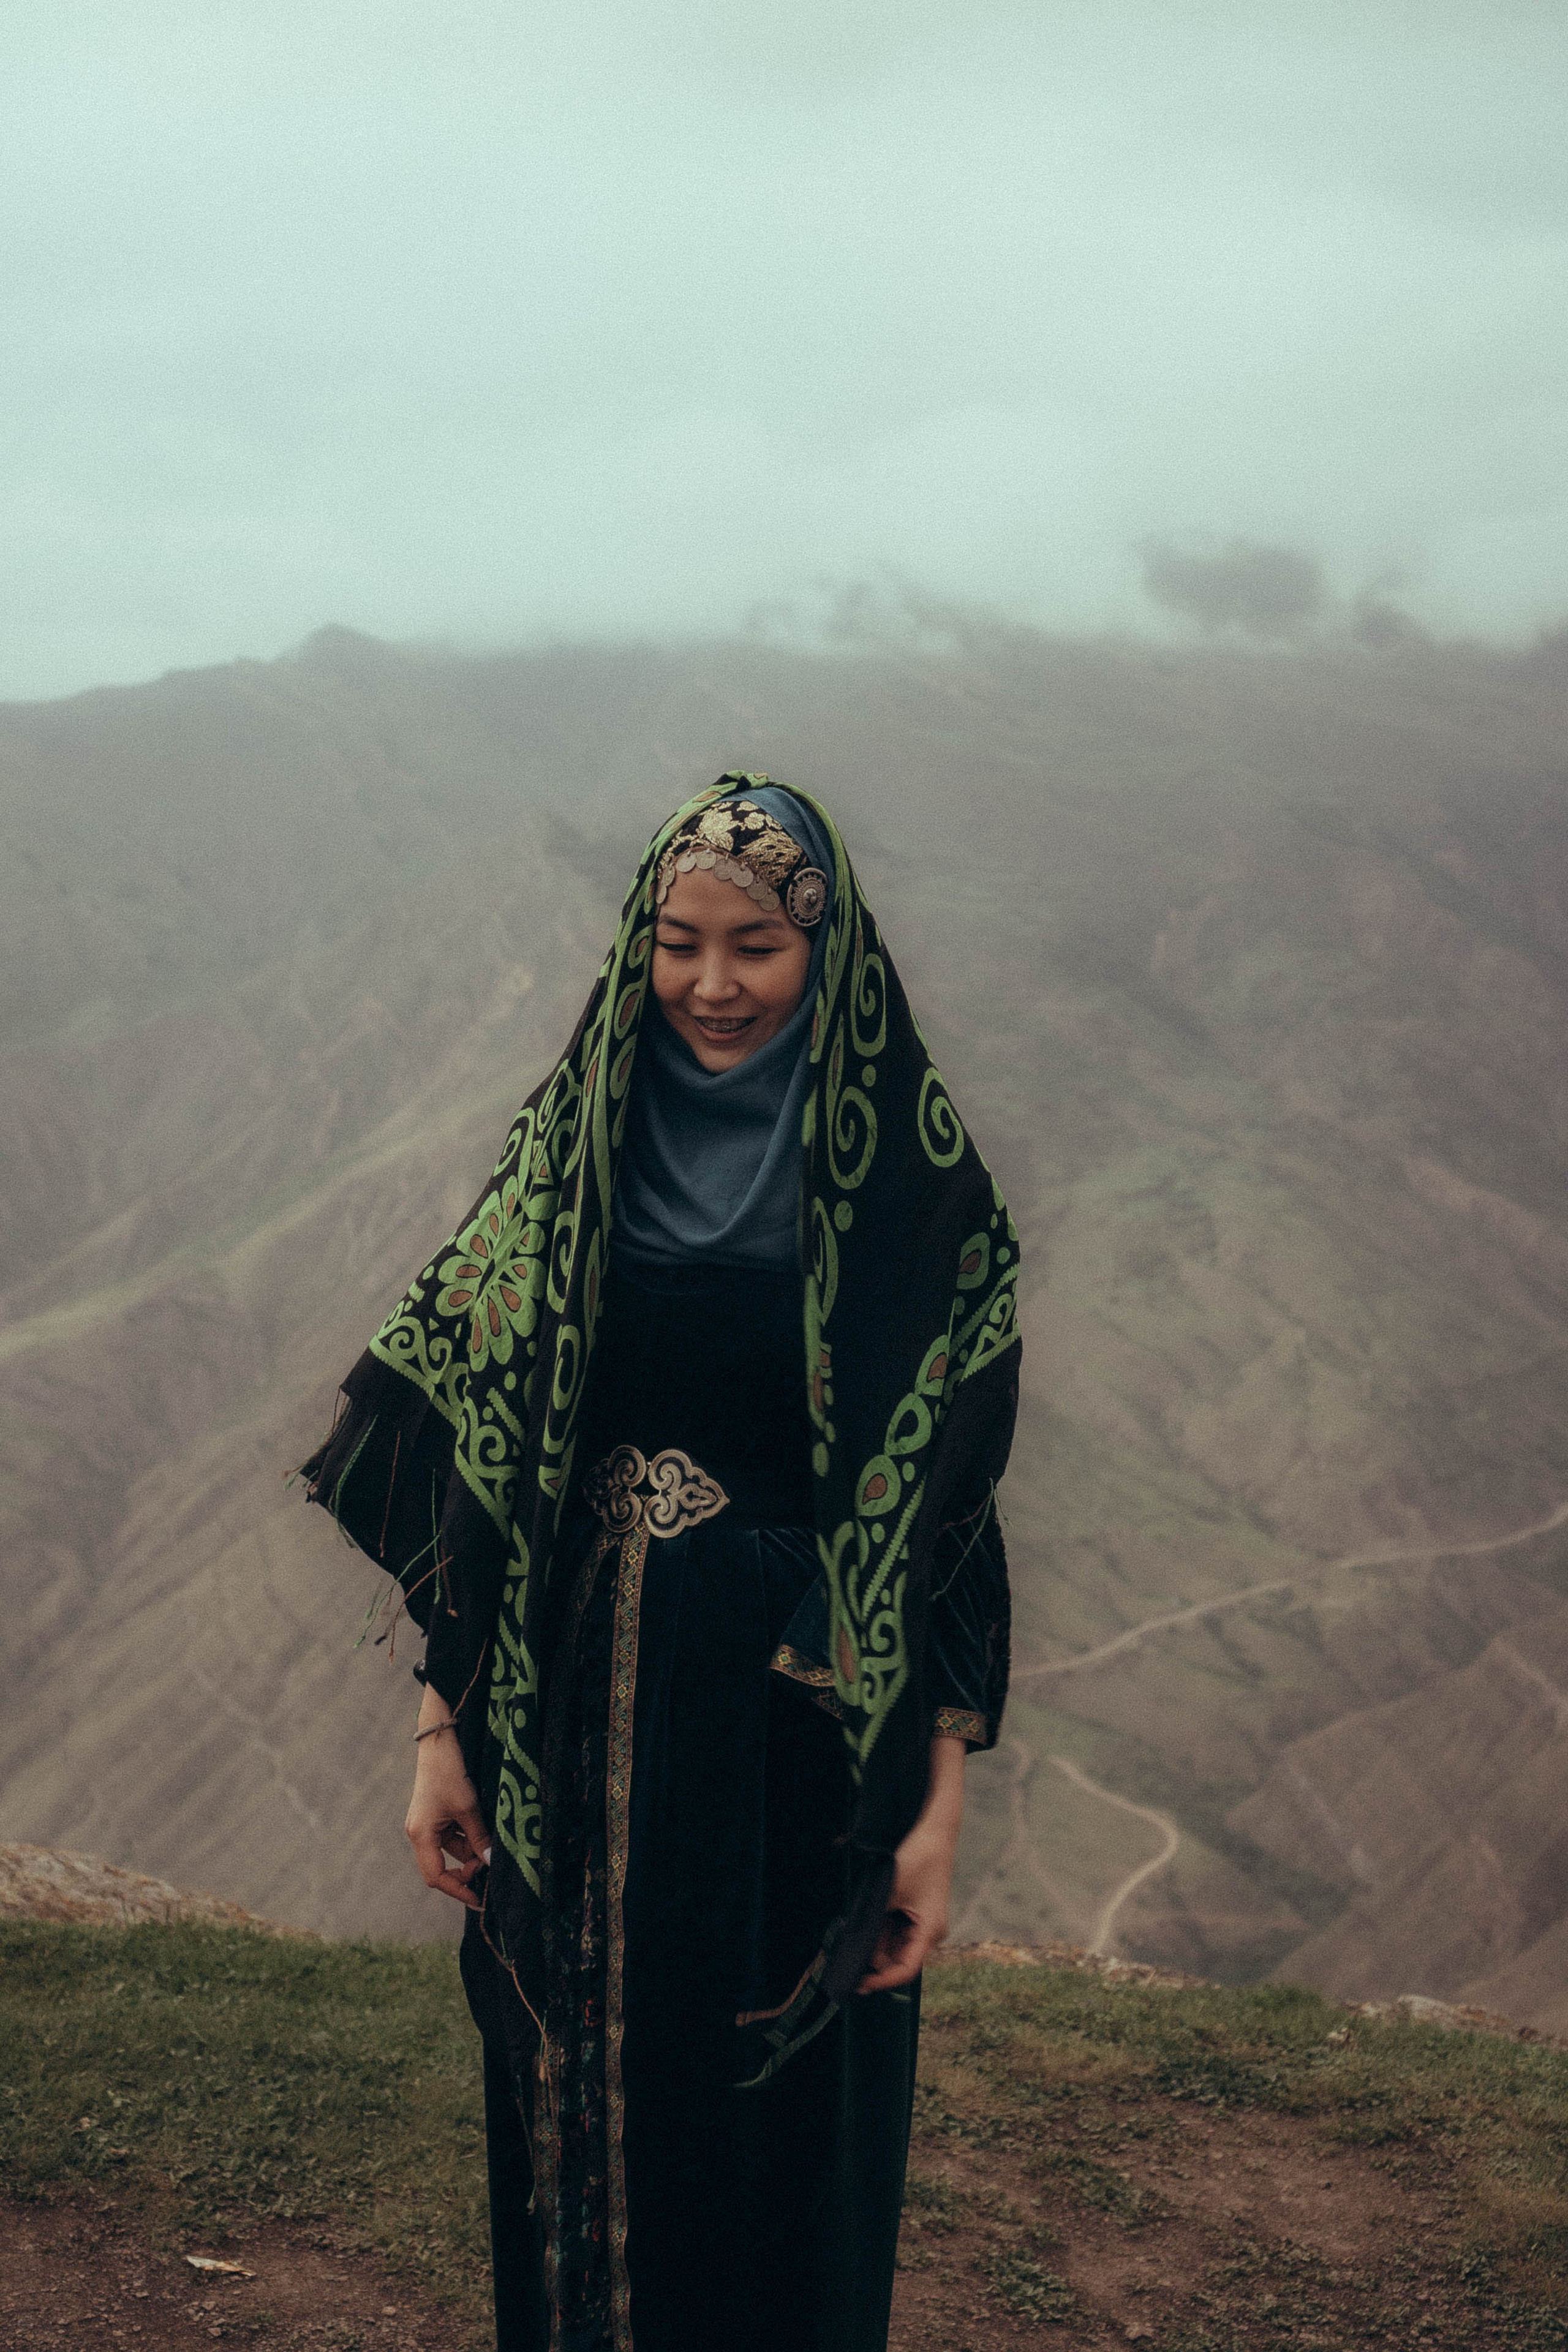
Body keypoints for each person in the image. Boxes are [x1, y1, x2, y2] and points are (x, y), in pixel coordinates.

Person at [301, 775, 1020, 2352]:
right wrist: (441, 1736)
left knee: (781, 2124)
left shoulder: (914, 1198)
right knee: (575, 2107)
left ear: (822, 952)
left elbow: (949, 1526)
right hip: (566, 1705)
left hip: (798, 1728)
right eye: (677, 944)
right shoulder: (572, 1159)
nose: (709, 986)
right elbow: (477, 1467)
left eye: (755, 946)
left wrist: (933, 1812)